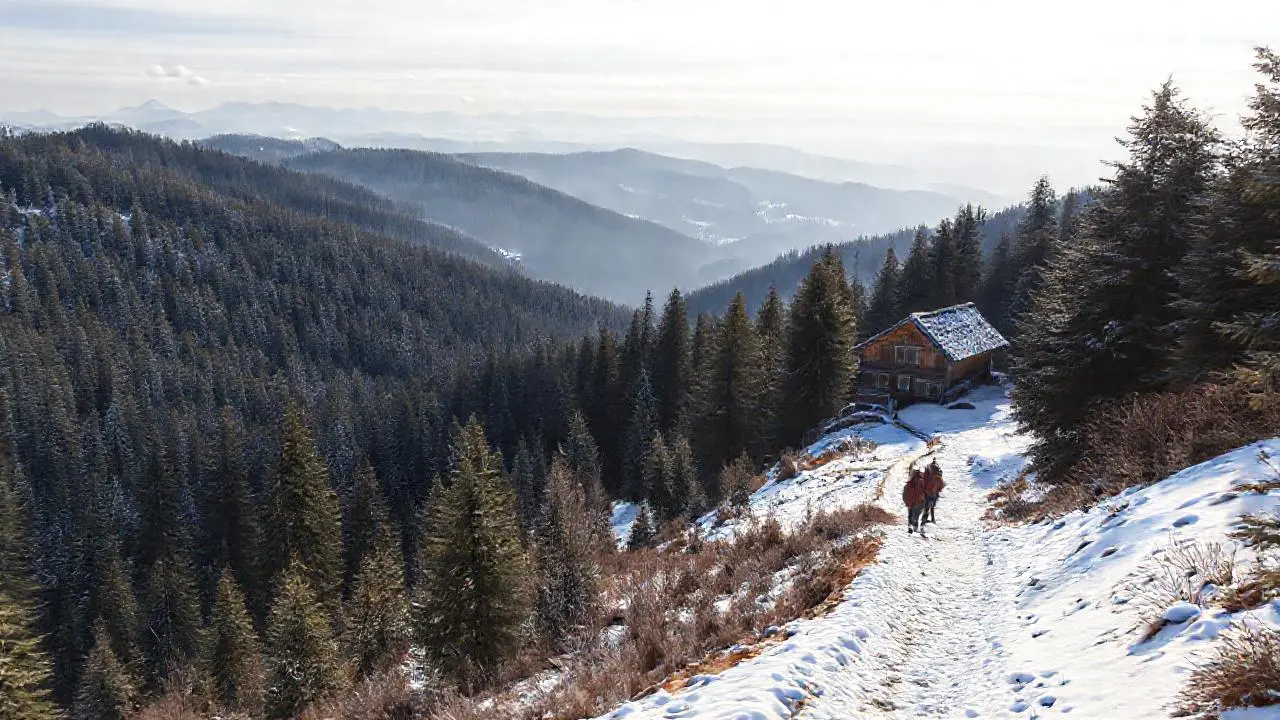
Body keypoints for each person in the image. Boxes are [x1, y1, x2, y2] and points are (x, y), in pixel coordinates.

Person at [902, 468, 927, 534]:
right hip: (919, 502)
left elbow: (905, 493)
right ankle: (915, 527)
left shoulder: (909, 483)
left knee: (910, 515)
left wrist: (906, 501)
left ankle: (910, 527)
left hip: (910, 502)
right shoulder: (923, 482)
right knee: (917, 515)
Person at [922, 459, 945, 524]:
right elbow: (941, 485)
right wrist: (938, 490)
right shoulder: (939, 477)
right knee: (932, 506)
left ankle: (925, 519)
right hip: (934, 493)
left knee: (927, 506)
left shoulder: (929, 475)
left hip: (928, 493)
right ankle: (932, 519)